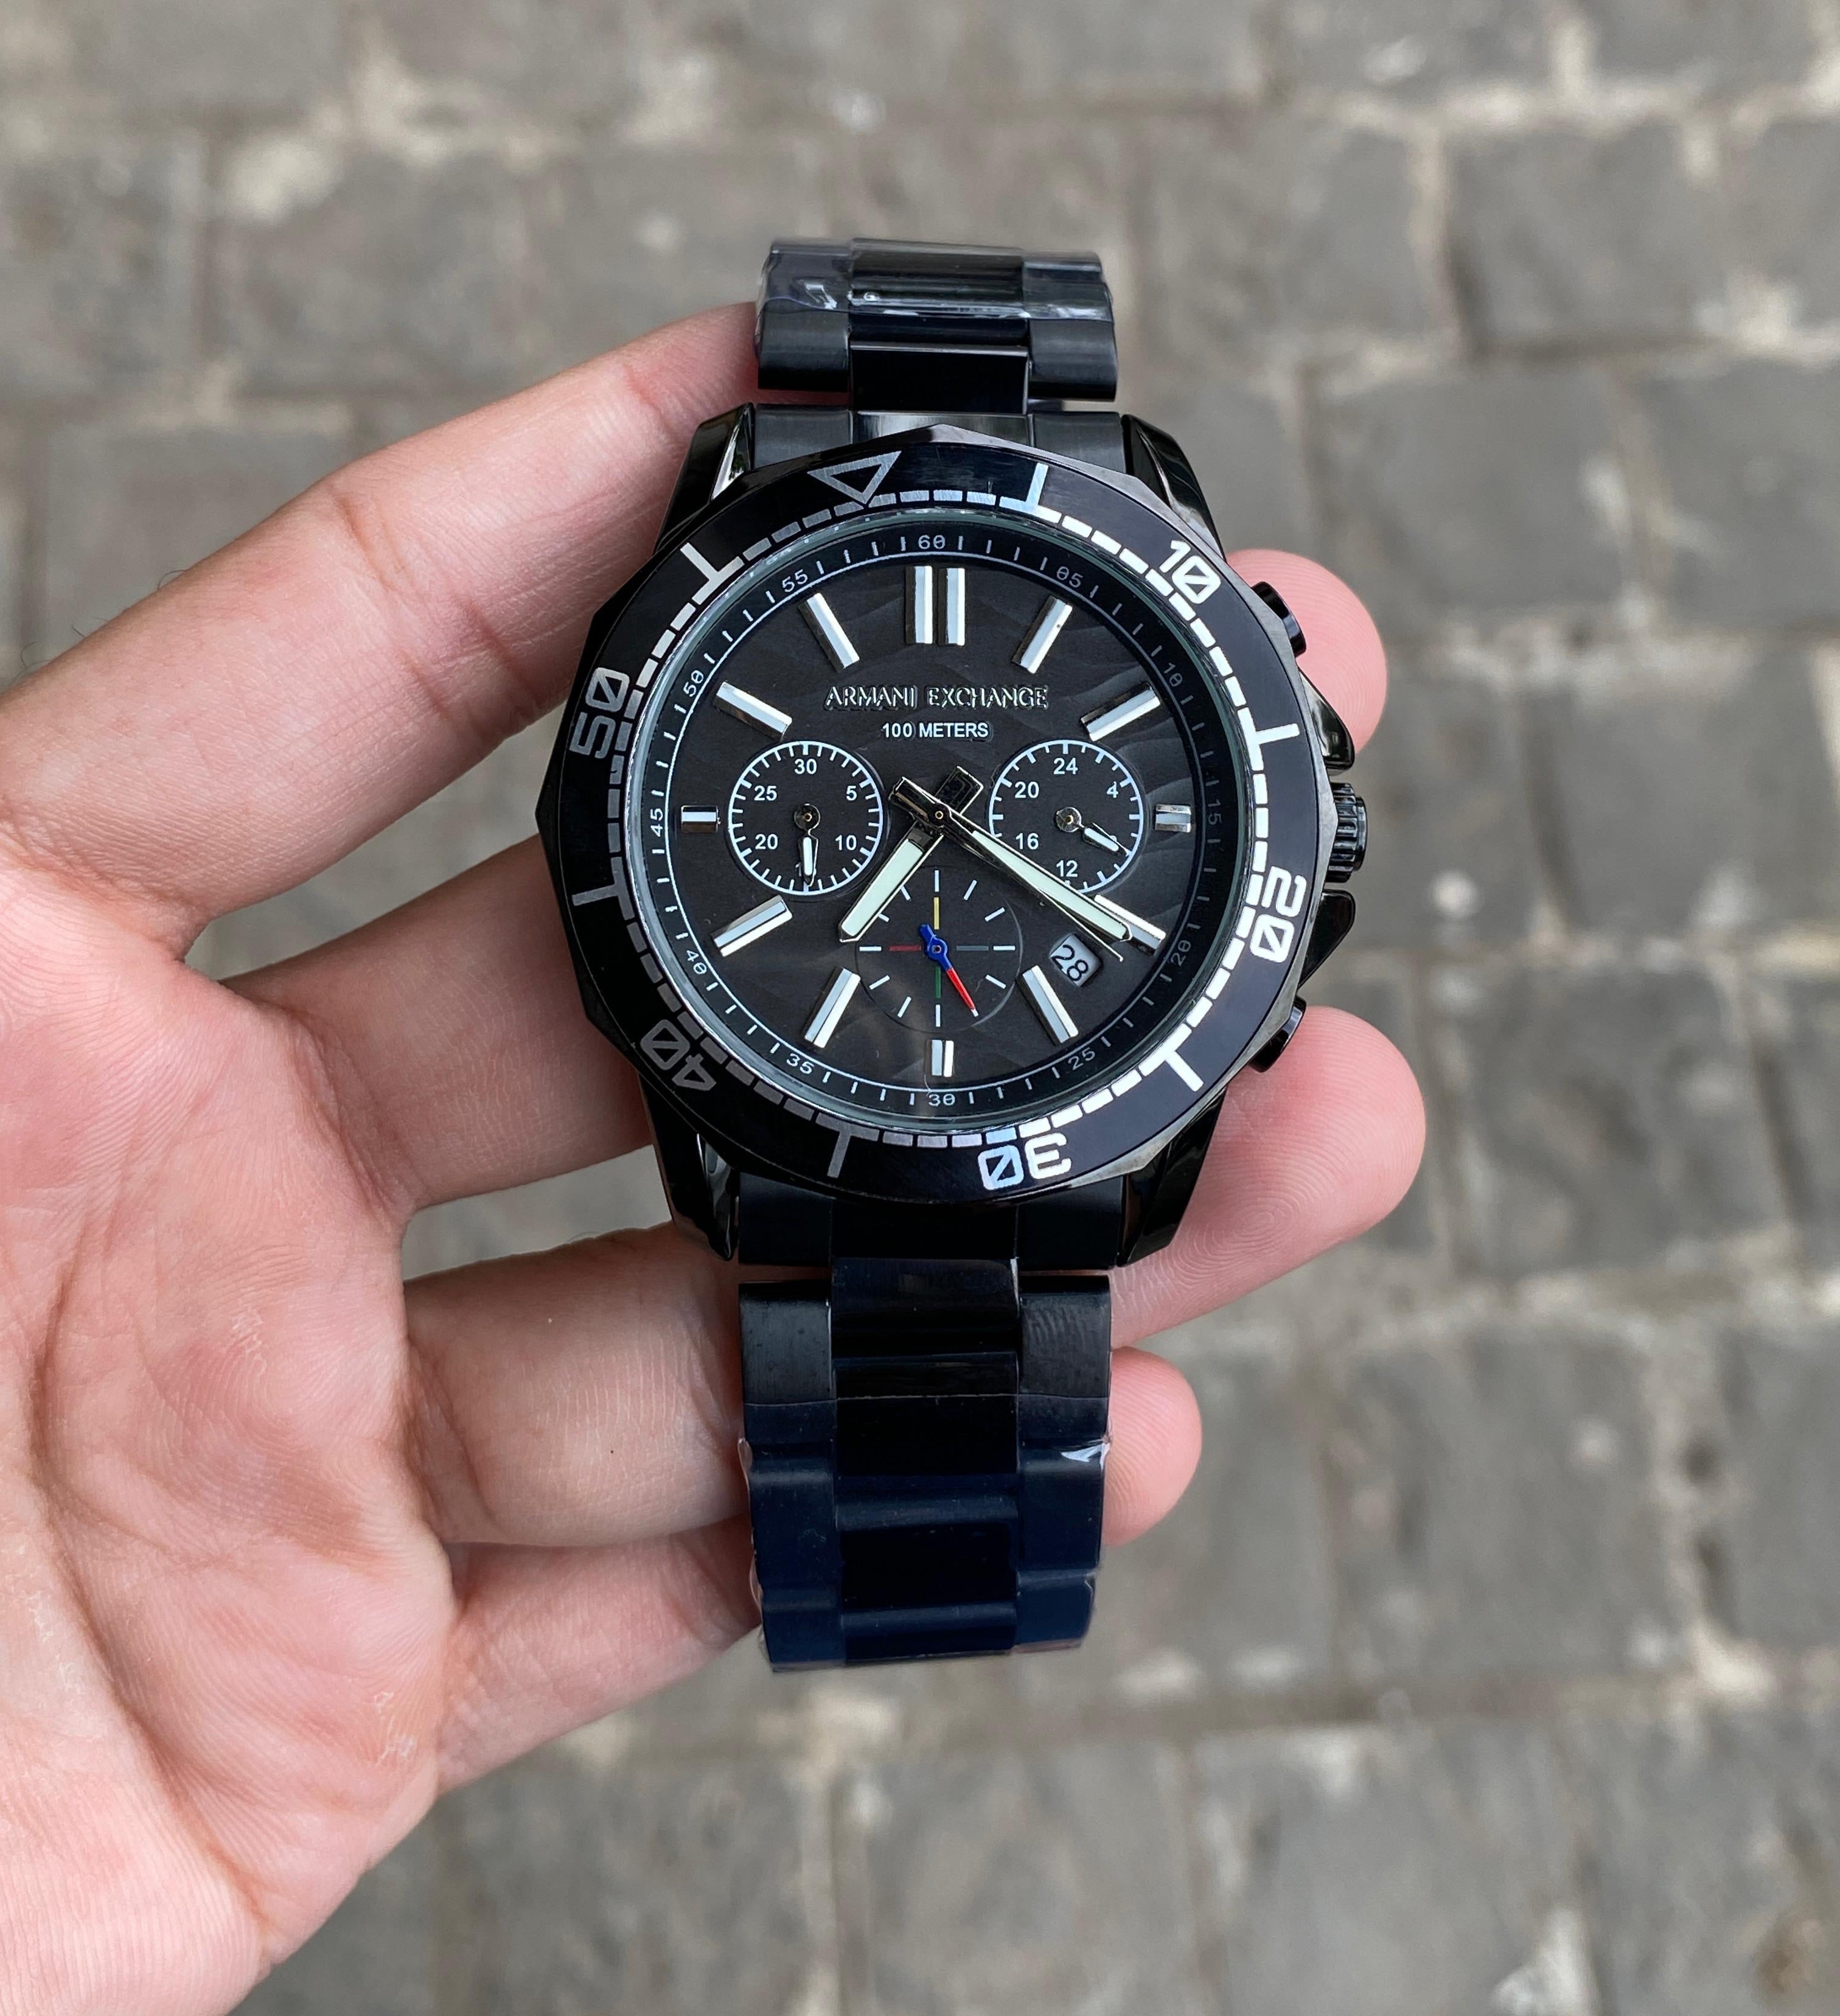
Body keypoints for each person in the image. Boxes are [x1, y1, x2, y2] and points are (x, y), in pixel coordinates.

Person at [0, 306, 1423, 2014]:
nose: (940, 823)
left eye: (962, 815)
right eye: (923, 814)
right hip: (824, 1109)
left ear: (1306, 838)